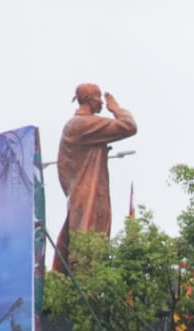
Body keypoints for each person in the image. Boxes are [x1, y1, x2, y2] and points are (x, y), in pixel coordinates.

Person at [54, 84, 138, 273]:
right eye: (98, 97)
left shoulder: (78, 125)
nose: (101, 102)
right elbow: (129, 126)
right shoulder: (82, 124)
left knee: (93, 250)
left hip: (86, 194)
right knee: (86, 251)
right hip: (87, 196)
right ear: (90, 99)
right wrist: (117, 110)